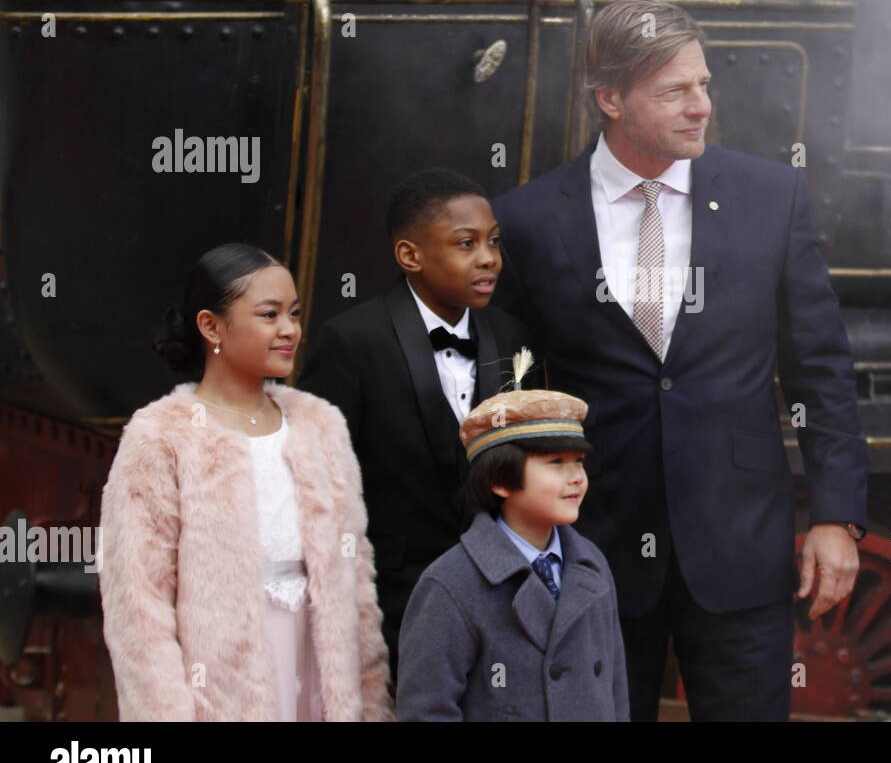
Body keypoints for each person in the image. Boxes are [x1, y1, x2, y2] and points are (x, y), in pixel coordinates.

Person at [491, 0, 870, 721]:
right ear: (610, 99)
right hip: (586, 556)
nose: (701, 106)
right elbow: (499, 391)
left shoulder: (772, 197)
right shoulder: (528, 220)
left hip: (742, 555)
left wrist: (836, 516)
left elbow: (821, 368)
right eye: (675, 91)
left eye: (703, 84)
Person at [98, 243, 392, 721]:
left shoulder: (320, 424)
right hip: (219, 683)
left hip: (321, 670)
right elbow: (138, 605)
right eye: (269, 314)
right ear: (211, 326)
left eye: (294, 314)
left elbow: (356, 578)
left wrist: (369, 702)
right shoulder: (160, 436)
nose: (290, 330)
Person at [297, 168, 541, 681]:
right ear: (410, 255)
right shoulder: (351, 341)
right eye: (465, 243)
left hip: (503, 591)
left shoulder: (515, 335)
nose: (488, 258)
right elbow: (317, 484)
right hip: (393, 597)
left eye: (494, 242)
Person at [396, 353, 628, 721]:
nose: (576, 478)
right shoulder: (451, 583)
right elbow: (426, 710)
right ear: (499, 480)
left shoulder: (592, 565)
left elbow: (614, 693)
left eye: (579, 462)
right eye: (556, 463)